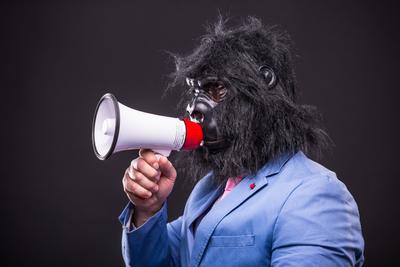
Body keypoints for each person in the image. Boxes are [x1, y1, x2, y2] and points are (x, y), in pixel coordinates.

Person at [118, 16, 365, 267]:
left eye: (214, 89)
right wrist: (148, 209)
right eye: (195, 92)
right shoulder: (208, 190)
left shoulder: (315, 195)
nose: (194, 108)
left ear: (264, 82)